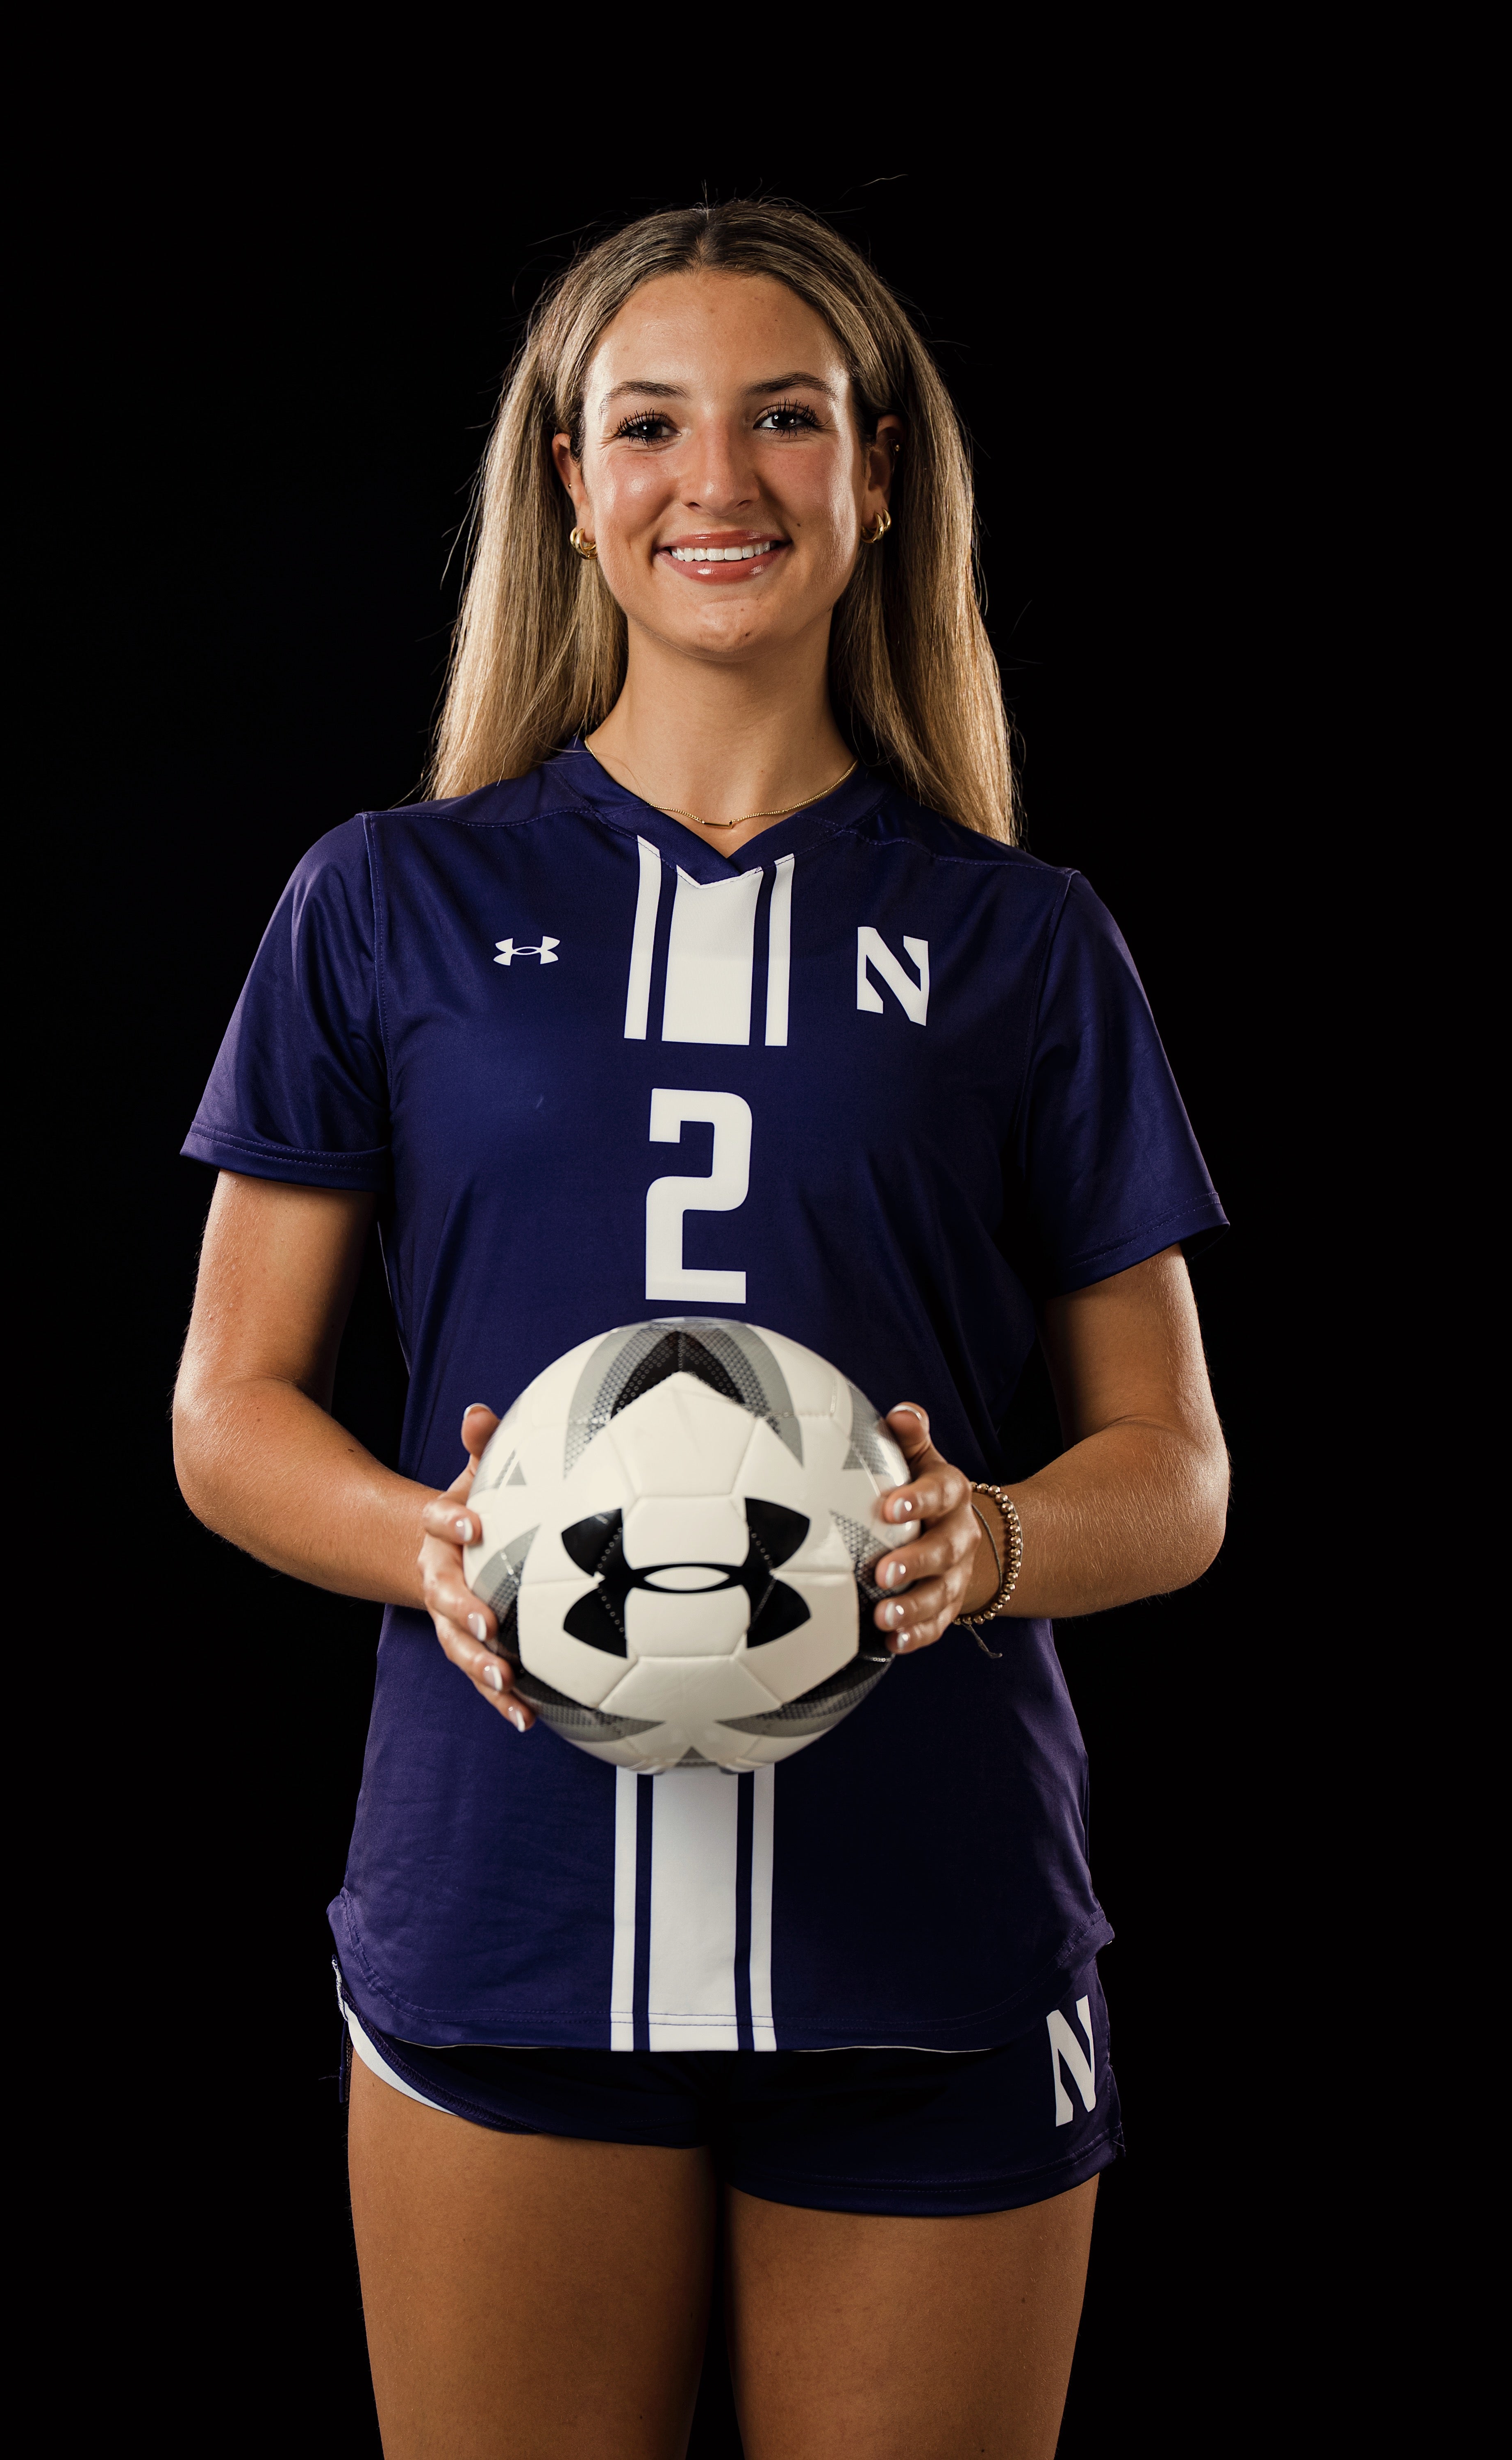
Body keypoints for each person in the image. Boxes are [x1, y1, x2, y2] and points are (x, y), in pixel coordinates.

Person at [173, 199, 1229, 2460]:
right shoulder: (388, 902)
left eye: (787, 419)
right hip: (509, 1915)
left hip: (931, 1930)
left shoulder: (1023, 942)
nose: (717, 480)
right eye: (649, 425)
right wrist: (433, 1545)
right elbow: (227, 1412)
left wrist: (987, 1548)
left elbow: (1177, 1470)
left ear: (881, 476)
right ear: (571, 486)